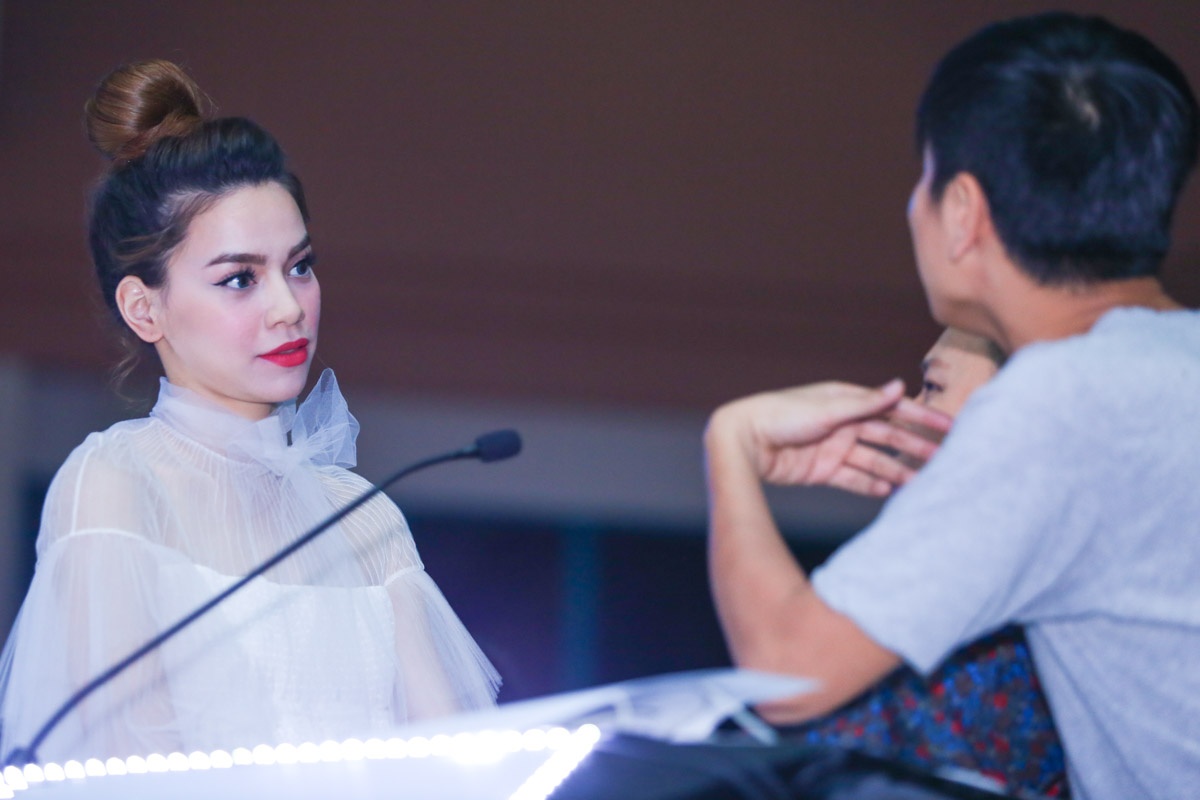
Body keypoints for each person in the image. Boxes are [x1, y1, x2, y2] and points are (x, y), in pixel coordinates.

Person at [705, 12, 1198, 800]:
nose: (914, 208)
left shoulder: (1061, 402)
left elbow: (788, 674)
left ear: (963, 212)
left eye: (925, 178)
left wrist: (728, 444)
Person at [0, 60, 500, 763]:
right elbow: (122, 767)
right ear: (144, 308)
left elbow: (453, 766)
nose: (289, 307)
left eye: (300, 266)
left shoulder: (365, 519)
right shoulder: (117, 483)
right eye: (240, 278)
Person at [788, 329, 1067, 799]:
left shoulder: (1000, 589)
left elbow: (785, 666)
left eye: (933, 387)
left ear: (1014, 407)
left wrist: (731, 449)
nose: (904, 411)